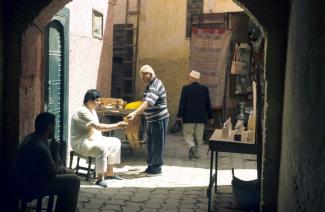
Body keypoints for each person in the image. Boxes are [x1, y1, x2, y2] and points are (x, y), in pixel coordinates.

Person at [16, 112, 80, 212]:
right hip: (30, 188)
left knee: (69, 176)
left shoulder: (32, 138)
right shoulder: (40, 147)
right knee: (74, 181)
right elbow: (53, 173)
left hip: (25, 183)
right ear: (50, 126)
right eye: (54, 125)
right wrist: (56, 152)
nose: (55, 128)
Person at [70, 89, 128, 187]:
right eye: (97, 100)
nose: (99, 103)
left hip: (92, 139)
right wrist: (118, 125)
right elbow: (98, 127)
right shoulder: (82, 111)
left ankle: (109, 173)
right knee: (102, 148)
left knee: (116, 142)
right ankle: (99, 178)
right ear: (89, 101)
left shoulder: (91, 109)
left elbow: (98, 129)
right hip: (81, 142)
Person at [126, 65, 169, 175]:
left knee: (157, 145)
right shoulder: (150, 85)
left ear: (151, 74)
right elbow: (144, 100)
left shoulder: (155, 85)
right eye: (143, 77)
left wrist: (135, 113)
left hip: (159, 119)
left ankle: (156, 168)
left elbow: (148, 102)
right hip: (152, 119)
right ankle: (150, 166)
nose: (144, 79)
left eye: (146, 76)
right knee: (150, 144)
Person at [177, 70, 213, 159]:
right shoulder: (205, 89)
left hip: (189, 117)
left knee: (188, 135)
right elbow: (208, 103)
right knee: (198, 137)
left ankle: (191, 147)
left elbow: (182, 103)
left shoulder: (186, 88)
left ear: (193, 78)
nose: (188, 79)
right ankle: (196, 154)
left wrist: (179, 115)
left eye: (189, 77)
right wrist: (210, 116)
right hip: (201, 118)